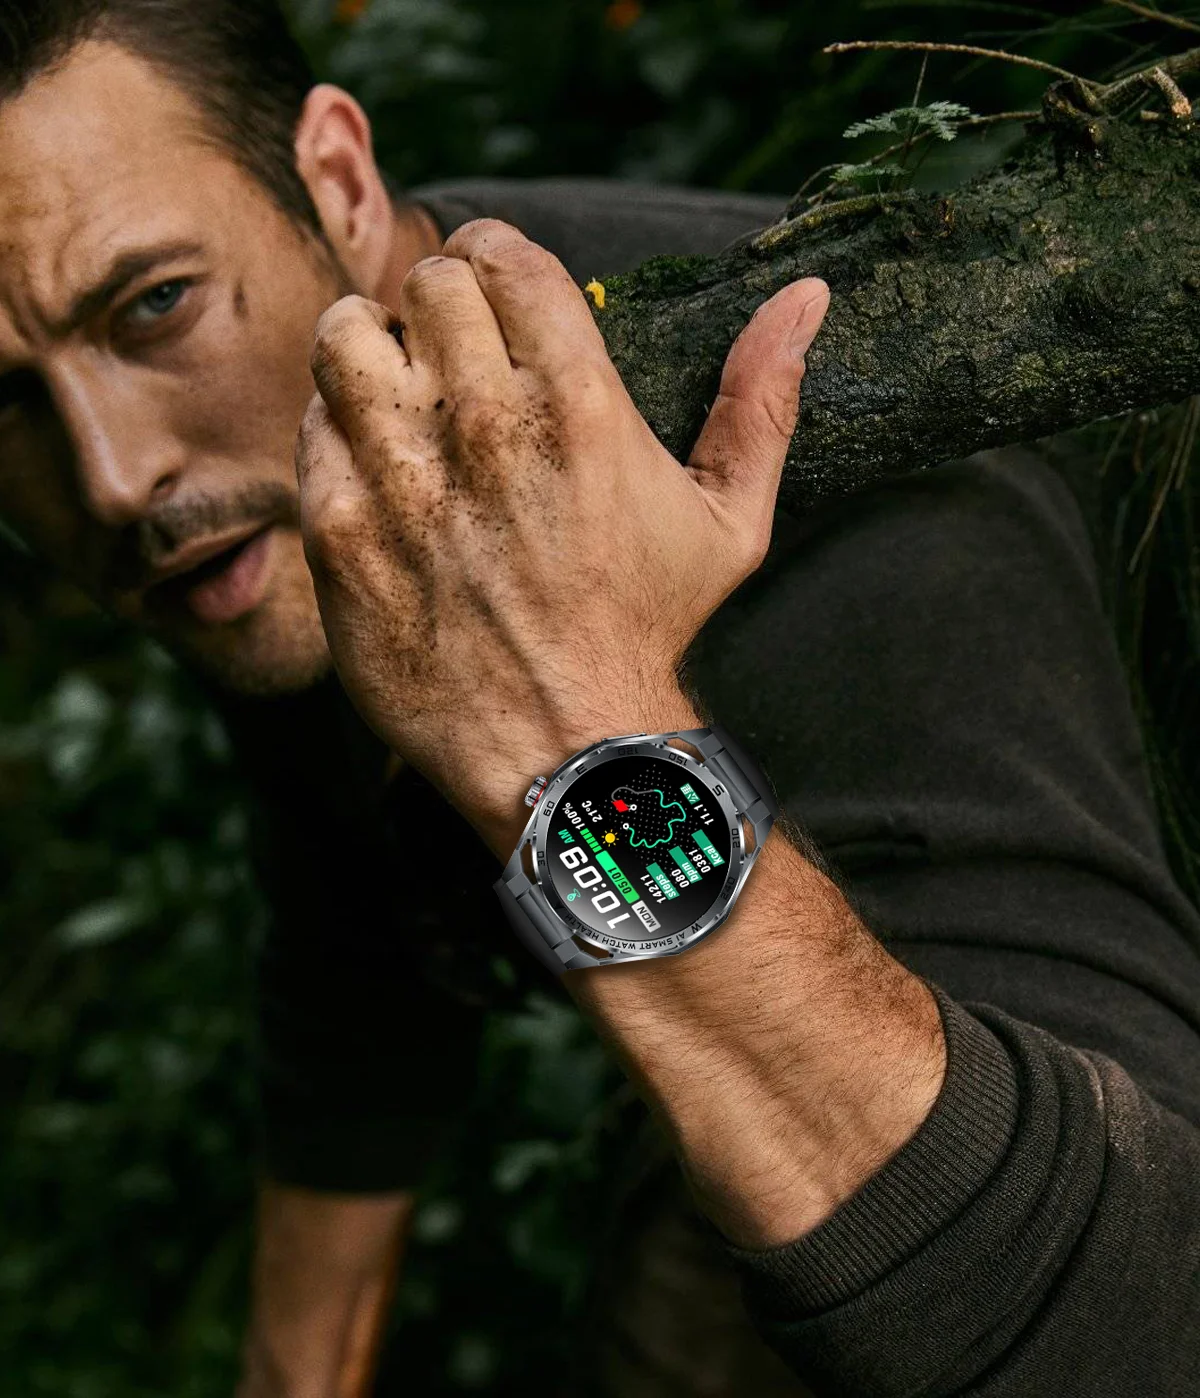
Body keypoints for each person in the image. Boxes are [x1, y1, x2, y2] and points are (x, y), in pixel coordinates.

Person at [0, 4, 1197, 1397]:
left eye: (153, 306)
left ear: (334, 181)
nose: (111, 477)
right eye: (3, 401)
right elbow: (353, 929)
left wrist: (567, 726)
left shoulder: (868, 520)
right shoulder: (283, 484)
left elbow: (1138, 1313)